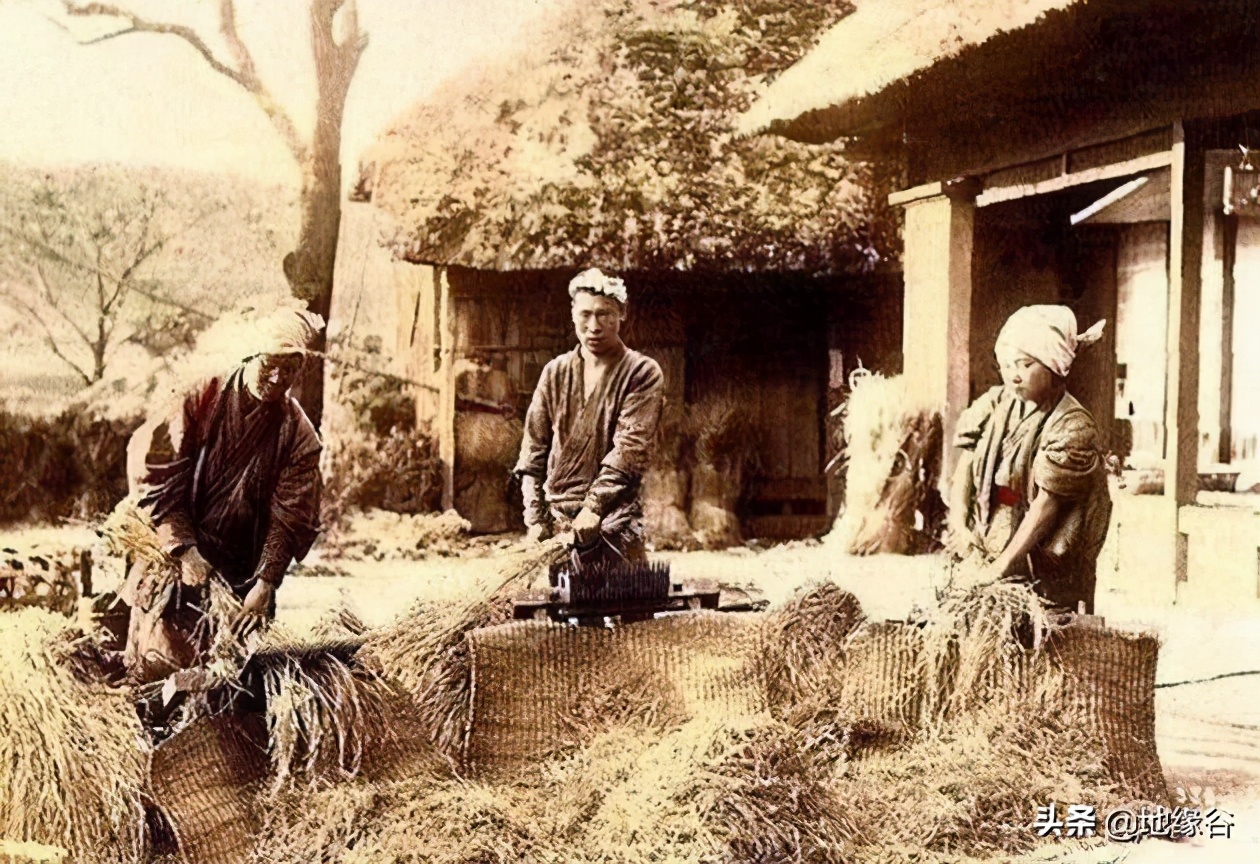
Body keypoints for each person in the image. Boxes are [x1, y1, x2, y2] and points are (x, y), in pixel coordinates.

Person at [120, 309, 324, 683]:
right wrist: (184, 548)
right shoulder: (200, 398)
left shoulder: (298, 435)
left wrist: (266, 582)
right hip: (178, 558)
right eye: (270, 365)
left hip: (242, 576)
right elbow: (156, 476)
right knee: (159, 672)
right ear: (251, 356)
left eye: (290, 369)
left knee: (232, 683)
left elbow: (291, 514)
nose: (277, 378)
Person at [947, 305, 1112, 614]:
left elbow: (1046, 506)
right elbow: (965, 466)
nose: (1014, 375)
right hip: (993, 527)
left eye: (1025, 364)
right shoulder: (995, 404)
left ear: (1054, 366)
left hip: (1041, 559)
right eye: (1007, 365)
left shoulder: (1073, 426)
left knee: (1041, 639)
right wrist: (959, 524)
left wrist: (1001, 567)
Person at [514, 268, 664, 564]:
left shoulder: (642, 372)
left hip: (614, 520)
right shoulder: (555, 372)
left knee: (629, 602)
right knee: (559, 605)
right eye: (585, 314)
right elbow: (533, 449)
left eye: (604, 313)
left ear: (622, 314)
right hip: (559, 524)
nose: (594, 325)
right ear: (572, 314)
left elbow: (630, 448)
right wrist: (535, 519)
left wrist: (593, 507)